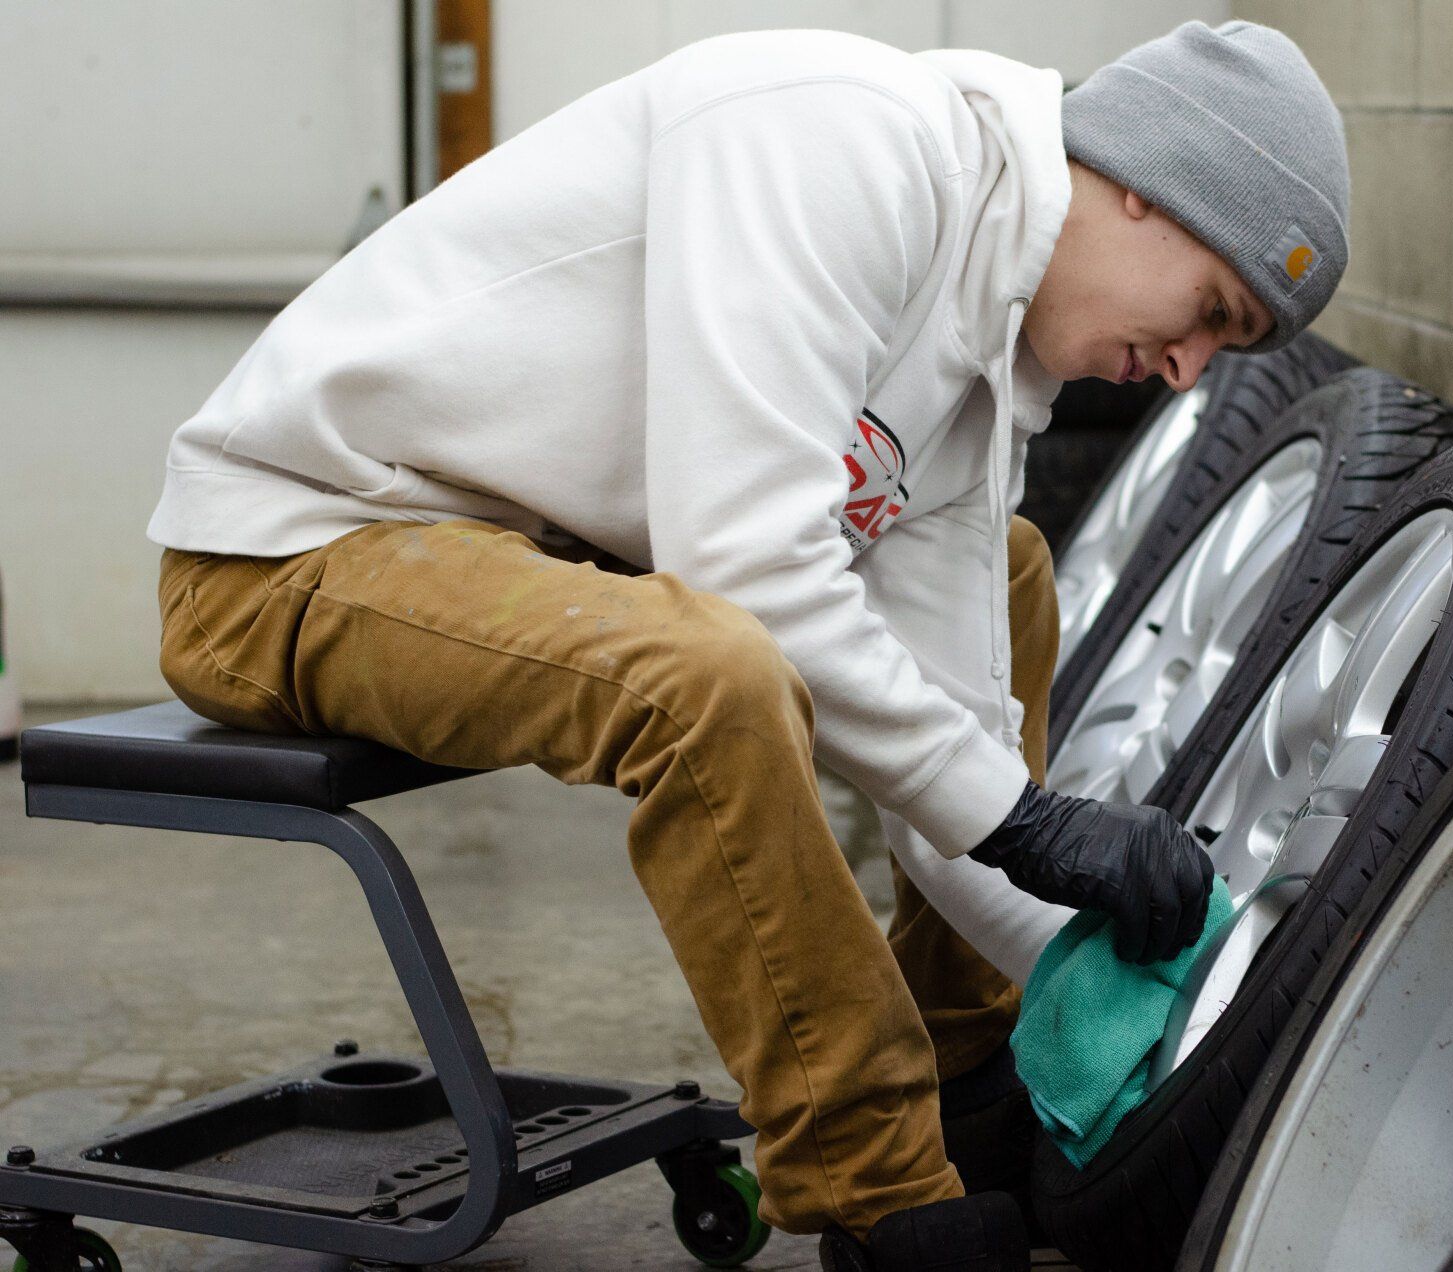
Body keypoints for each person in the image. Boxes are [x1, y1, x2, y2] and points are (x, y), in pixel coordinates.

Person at [145, 17, 1347, 1270]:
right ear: (1147, 187)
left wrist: (1102, 972)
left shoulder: (985, 375)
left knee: (1007, 575)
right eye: (1213, 311)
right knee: (708, 669)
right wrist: (1041, 826)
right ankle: (874, 1184)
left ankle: (964, 1080)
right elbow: (741, 567)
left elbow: (951, 774)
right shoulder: (840, 136)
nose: (1188, 369)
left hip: (539, 562)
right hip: (299, 546)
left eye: (1229, 347)